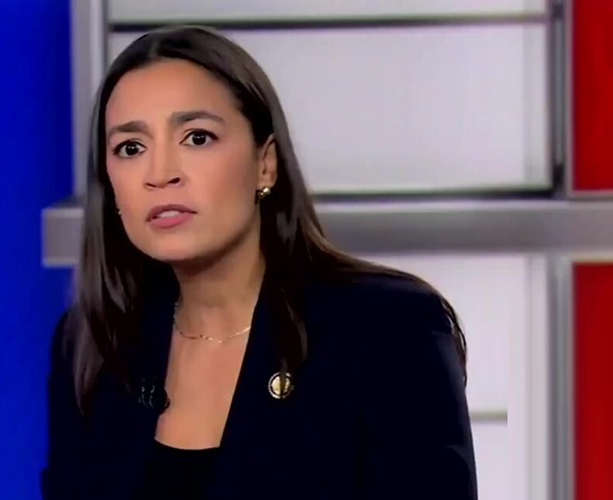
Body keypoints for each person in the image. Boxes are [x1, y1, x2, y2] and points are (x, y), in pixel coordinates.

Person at [41, 25, 477, 500]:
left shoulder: (389, 330)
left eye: (197, 138)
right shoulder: (94, 344)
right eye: (131, 148)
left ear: (265, 164)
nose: (160, 174)